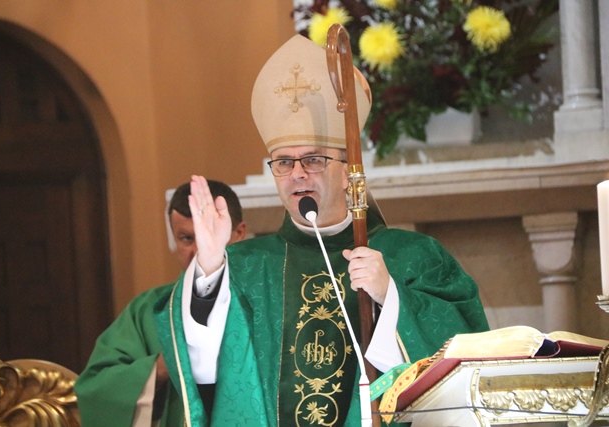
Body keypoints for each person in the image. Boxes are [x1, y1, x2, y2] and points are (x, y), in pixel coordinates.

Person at [154, 35, 490, 426]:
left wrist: (390, 297)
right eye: (283, 162)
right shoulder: (245, 267)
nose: (297, 174)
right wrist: (210, 271)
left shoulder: (413, 256)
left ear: (350, 172)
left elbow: (465, 356)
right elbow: (202, 369)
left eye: (313, 159)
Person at [74, 180, 247, 427]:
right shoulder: (148, 309)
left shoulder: (264, 302)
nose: (199, 250)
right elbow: (96, 389)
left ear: (238, 234)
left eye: (208, 235)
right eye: (186, 238)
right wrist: (163, 367)